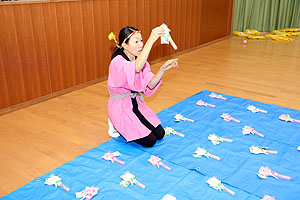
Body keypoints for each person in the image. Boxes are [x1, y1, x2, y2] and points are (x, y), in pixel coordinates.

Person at [107, 25, 178, 147]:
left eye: (141, 40)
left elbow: (150, 85)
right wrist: (151, 39)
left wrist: (162, 69)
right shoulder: (117, 62)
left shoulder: (140, 61)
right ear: (124, 45)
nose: (140, 44)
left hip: (135, 103)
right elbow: (136, 67)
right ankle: (115, 124)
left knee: (160, 134)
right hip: (121, 107)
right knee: (150, 141)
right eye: (136, 41)